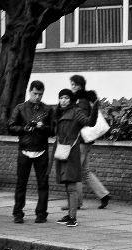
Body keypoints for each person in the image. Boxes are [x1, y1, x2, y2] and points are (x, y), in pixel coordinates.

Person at [7, 80, 53, 224]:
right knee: (21, 184)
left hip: (41, 151)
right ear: (30, 92)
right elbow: (10, 126)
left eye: (40, 94)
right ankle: (18, 213)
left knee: (43, 184)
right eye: (35, 94)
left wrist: (43, 127)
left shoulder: (48, 109)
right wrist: (24, 129)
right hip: (25, 150)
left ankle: (41, 213)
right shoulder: (20, 108)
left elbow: (53, 130)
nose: (37, 97)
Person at [68, 75, 110, 210]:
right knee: (84, 172)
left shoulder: (81, 101)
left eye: (74, 84)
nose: (72, 87)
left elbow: (82, 119)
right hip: (86, 141)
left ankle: (77, 202)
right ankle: (103, 195)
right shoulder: (85, 99)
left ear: (80, 86)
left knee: (76, 172)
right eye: (71, 84)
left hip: (81, 140)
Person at [53, 89, 89, 228]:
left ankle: (73, 217)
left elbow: (87, 122)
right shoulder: (59, 112)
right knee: (68, 185)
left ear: (71, 100)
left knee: (72, 185)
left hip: (72, 151)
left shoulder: (76, 111)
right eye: (61, 97)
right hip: (63, 151)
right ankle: (70, 213)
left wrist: (95, 108)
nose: (63, 100)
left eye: (66, 98)